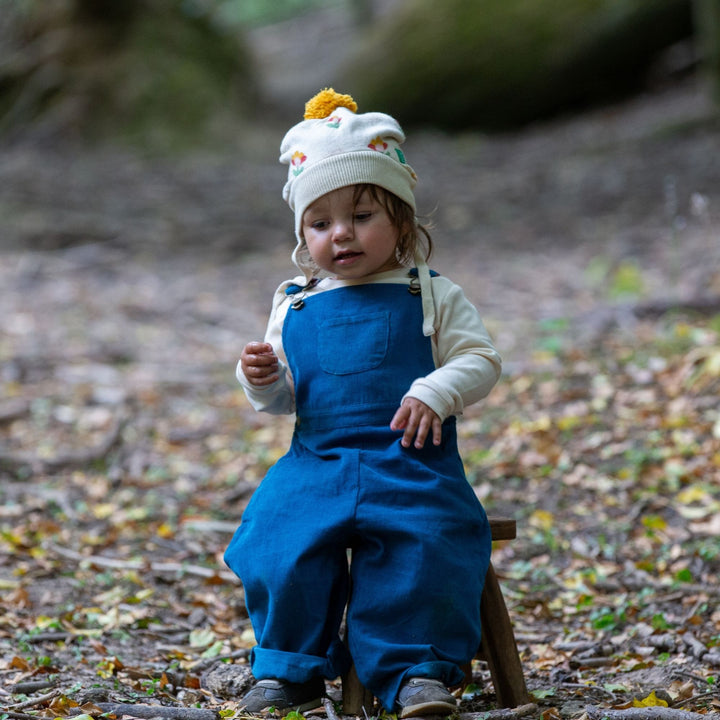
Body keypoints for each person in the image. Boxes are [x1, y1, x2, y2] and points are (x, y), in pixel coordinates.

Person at [224, 88, 502, 718]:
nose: (340, 234)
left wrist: (438, 388)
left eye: (362, 216)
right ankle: (289, 668)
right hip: (316, 461)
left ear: (402, 221)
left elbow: (481, 360)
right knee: (274, 538)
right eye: (320, 224)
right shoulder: (296, 301)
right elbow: (283, 401)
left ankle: (414, 672)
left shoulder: (430, 292)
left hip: (411, 461)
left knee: (427, 540)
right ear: (303, 235)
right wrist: (263, 378)